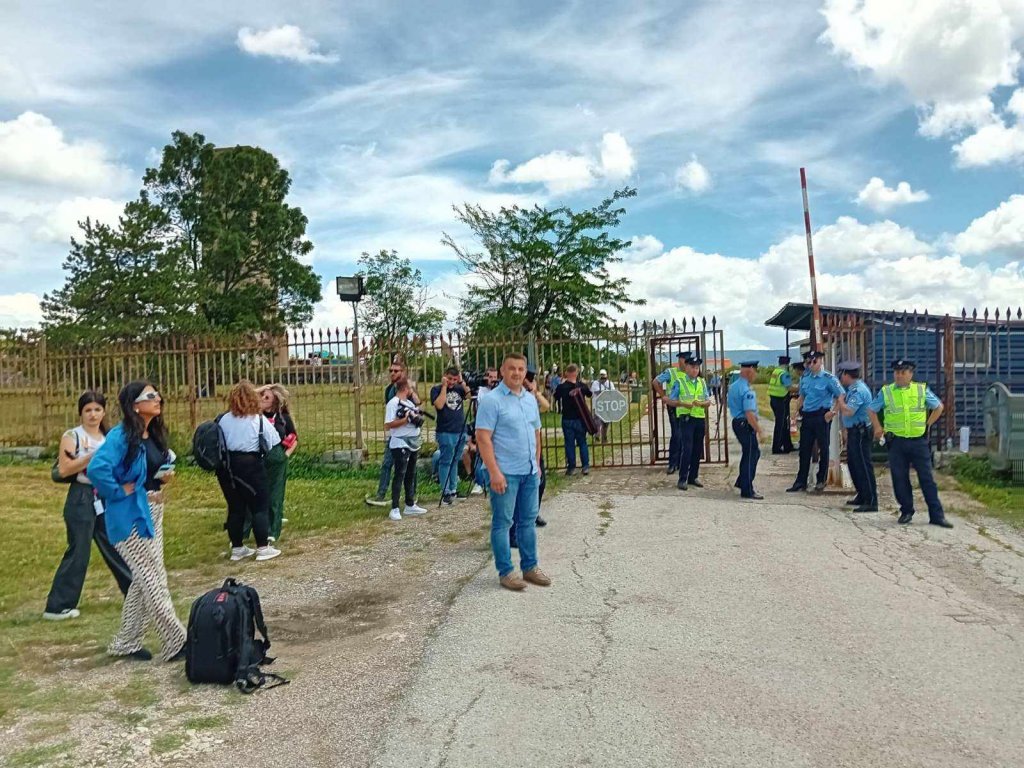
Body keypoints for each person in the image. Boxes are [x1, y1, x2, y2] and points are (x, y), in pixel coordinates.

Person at [88, 381, 186, 662]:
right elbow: (96, 468)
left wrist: (162, 477)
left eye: (158, 394)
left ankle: (126, 642)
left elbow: (148, 470)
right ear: (134, 405)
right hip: (129, 514)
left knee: (144, 578)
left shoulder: (152, 434)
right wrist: (119, 491)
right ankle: (176, 641)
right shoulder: (121, 436)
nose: (158, 398)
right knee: (154, 578)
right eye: (150, 395)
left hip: (152, 510)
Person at [43, 391, 133, 621]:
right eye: (88, 410)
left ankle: (135, 594)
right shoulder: (73, 436)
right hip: (81, 497)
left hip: (105, 496)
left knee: (117, 546)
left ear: (104, 412)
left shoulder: (109, 437)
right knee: (79, 550)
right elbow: (64, 469)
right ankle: (58, 606)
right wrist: (91, 457)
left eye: (97, 410)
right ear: (81, 413)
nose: (93, 415)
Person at [475, 353, 549, 591]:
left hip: (529, 471)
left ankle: (530, 567)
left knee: (527, 521)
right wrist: (494, 472)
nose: (516, 373)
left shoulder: (529, 399)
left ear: (525, 372)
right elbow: (483, 438)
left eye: (520, 369)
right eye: (511, 368)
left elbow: (536, 432)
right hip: (505, 473)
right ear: (502, 371)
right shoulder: (492, 401)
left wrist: (536, 464)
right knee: (503, 522)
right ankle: (506, 571)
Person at [868, 360, 953, 528]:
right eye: (897, 372)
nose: (899, 375)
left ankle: (936, 515)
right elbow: (871, 409)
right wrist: (877, 427)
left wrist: (928, 424)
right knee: (900, 478)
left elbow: (938, 407)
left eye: (903, 372)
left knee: (927, 478)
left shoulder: (921, 389)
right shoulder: (887, 391)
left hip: (918, 441)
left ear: (910, 374)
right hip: (896, 442)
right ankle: (906, 511)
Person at [216, 381, 282, 561]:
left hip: (227, 469)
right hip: (251, 466)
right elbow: (273, 441)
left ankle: (237, 548)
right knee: (259, 507)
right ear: (254, 399)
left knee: (235, 508)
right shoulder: (257, 420)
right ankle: (263, 548)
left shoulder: (223, 420)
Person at [787, 351, 844, 493]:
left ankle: (821, 480)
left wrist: (833, 412)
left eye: (814, 361)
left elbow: (841, 395)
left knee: (823, 449)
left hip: (821, 416)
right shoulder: (805, 378)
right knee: (804, 449)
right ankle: (801, 481)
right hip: (807, 416)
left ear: (820, 361)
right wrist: (795, 411)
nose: (811, 365)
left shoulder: (828, 378)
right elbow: (802, 396)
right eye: (809, 362)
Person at [366, 359, 420, 506]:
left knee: (410, 466)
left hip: (407, 434)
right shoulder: (389, 389)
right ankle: (381, 494)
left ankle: (411, 494)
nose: (392, 373)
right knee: (387, 464)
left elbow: (417, 404)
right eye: (391, 371)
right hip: (394, 432)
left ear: (403, 372)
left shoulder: (408, 388)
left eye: (396, 371)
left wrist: (411, 390)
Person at [385, 377, 429, 521]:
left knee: (411, 473)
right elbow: (388, 425)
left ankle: (410, 504)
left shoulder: (409, 403)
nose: (412, 390)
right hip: (400, 443)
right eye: (411, 387)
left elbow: (417, 407)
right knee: (400, 474)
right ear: (405, 388)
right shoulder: (393, 403)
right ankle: (395, 507)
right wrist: (405, 420)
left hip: (413, 442)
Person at [257, 384, 297, 542]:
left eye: (266, 397)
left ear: (275, 402)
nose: (262, 399)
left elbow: (294, 437)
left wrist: (285, 455)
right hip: (257, 457)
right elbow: (244, 395)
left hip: (277, 457)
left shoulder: (283, 418)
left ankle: (272, 530)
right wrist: (263, 389)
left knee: (275, 494)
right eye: (262, 396)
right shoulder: (255, 416)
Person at [836, 361, 878, 513]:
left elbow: (849, 411)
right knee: (853, 464)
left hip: (861, 432)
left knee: (863, 465)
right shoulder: (852, 389)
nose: (841, 377)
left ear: (847, 375)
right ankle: (862, 494)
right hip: (854, 431)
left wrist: (840, 401)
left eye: (842, 374)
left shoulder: (859, 390)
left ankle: (871, 501)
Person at [670, 356, 712, 491]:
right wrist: (683, 403)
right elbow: (671, 401)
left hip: (699, 418)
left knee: (697, 449)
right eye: (692, 367)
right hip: (686, 419)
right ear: (686, 367)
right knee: (687, 449)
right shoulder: (679, 382)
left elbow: (708, 401)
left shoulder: (701, 382)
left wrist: (701, 403)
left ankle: (693, 477)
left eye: (697, 368)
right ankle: (682, 478)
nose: (695, 370)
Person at [431, 367, 470, 505]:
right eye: (449, 379)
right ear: (444, 376)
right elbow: (439, 405)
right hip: (446, 430)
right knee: (445, 461)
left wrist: (463, 383)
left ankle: (453, 489)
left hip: (460, 429)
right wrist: (444, 387)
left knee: (455, 460)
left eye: (454, 379)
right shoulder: (436, 389)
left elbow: (469, 396)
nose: (452, 382)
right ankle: (445, 491)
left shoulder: (459, 388)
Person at [729, 361, 763, 500]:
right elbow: (749, 414)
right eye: (755, 372)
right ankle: (747, 489)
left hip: (737, 423)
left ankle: (742, 481)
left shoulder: (734, 386)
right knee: (751, 455)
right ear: (750, 370)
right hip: (745, 424)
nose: (755, 375)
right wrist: (759, 430)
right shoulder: (746, 390)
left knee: (751, 453)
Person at [653, 352, 691, 474]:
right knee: (676, 434)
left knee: (686, 435)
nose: (685, 363)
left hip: (686, 407)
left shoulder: (690, 373)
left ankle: (682, 463)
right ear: (679, 361)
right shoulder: (671, 372)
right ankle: (673, 463)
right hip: (674, 406)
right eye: (683, 360)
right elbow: (655, 382)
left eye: (687, 360)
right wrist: (663, 396)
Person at [554, 364, 593, 476]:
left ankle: (571, 467)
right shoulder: (582, 386)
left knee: (569, 444)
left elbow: (556, 397)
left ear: (566, 373)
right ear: (577, 373)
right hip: (580, 418)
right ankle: (585, 466)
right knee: (582, 442)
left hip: (567, 418)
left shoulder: (562, 387)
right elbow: (590, 394)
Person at [768, 356, 797, 454]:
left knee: (783, 423)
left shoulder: (776, 371)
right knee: (781, 425)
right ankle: (777, 447)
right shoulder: (784, 374)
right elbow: (789, 388)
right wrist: (802, 388)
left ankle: (787, 445)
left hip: (774, 399)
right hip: (780, 400)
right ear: (787, 364)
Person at [591, 368, 615, 443]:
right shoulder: (595, 383)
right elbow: (597, 392)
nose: (603, 377)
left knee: (606, 423)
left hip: (607, 405)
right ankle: (597, 436)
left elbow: (613, 392)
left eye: (604, 376)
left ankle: (604, 438)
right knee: (597, 422)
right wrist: (606, 392)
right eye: (601, 375)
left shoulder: (610, 383)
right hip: (597, 405)